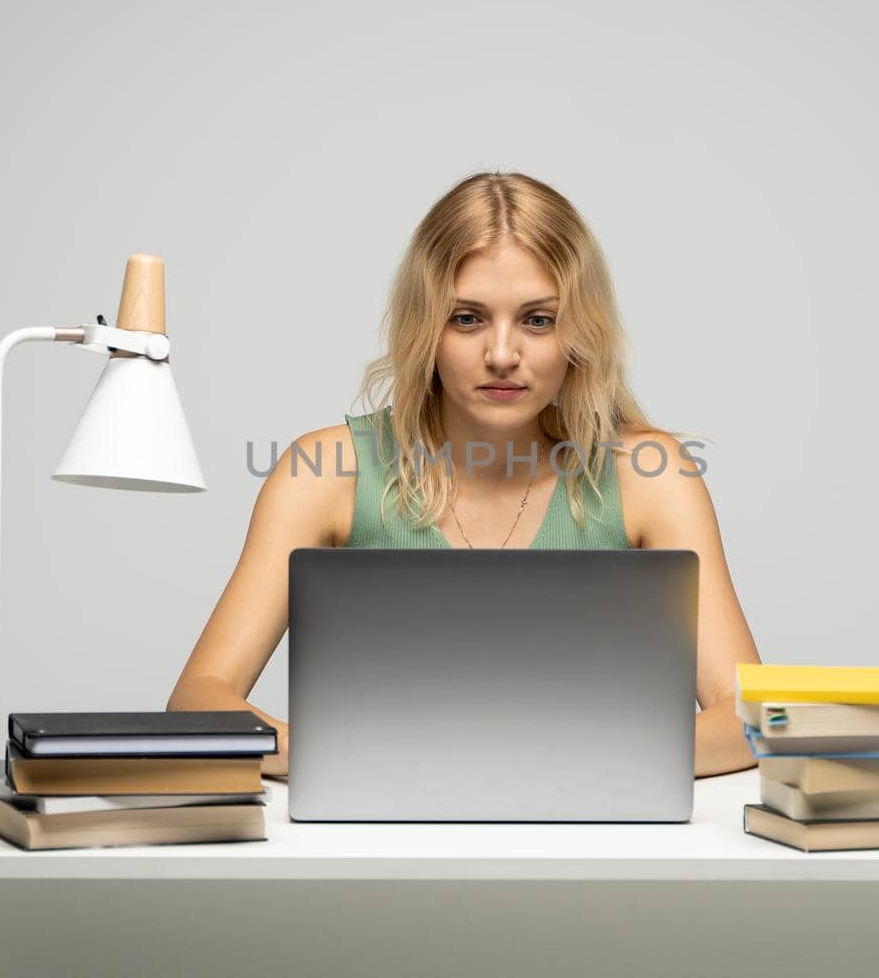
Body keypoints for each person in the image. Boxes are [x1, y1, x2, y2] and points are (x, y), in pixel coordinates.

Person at [167, 171, 761, 778]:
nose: (502, 354)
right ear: (425, 327)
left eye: (537, 320)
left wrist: (550, 765)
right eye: (468, 318)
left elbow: (748, 718)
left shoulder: (649, 477)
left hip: (592, 846)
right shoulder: (325, 474)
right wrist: (337, 758)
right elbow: (198, 700)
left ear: (579, 333)